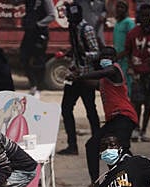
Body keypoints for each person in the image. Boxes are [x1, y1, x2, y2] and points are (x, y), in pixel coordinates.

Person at [67, 46, 139, 187]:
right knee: (93, 145)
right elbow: (93, 83)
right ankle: (95, 183)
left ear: (114, 59)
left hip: (124, 116)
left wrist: (81, 76)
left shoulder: (115, 70)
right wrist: (77, 77)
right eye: (103, 56)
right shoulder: (105, 80)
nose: (105, 59)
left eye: (108, 56)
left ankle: (138, 178)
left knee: (120, 150)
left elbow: (102, 73)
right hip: (114, 119)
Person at [57, 2, 101, 156]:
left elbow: (96, 52)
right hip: (75, 76)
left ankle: (98, 143)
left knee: (90, 110)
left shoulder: (86, 29)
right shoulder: (73, 28)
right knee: (66, 108)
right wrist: (71, 54)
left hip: (86, 76)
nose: (69, 19)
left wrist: (83, 54)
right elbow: (76, 51)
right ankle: (72, 145)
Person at [123, 3, 150, 142]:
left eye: (147, 15)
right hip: (137, 73)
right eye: (142, 15)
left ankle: (143, 130)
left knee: (149, 104)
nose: (145, 18)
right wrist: (130, 67)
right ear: (139, 16)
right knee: (136, 103)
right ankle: (135, 128)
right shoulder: (133, 33)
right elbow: (128, 51)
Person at [20, 0, 55, 96]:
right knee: (23, 58)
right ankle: (33, 84)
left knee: (39, 61)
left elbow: (52, 15)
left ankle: (38, 88)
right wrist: (26, 20)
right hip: (29, 33)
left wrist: (38, 24)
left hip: (40, 33)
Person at [113, 0, 135, 95]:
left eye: (122, 7)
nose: (119, 9)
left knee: (128, 82)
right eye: (118, 7)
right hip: (118, 59)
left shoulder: (128, 22)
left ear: (126, 10)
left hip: (126, 58)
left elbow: (132, 41)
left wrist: (125, 53)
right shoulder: (117, 23)